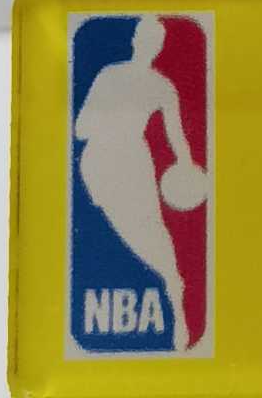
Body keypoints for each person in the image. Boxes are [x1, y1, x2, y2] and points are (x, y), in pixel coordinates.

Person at [74, 18, 199, 352]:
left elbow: (177, 136)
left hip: (124, 160)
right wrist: (185, 162)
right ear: (145, 43)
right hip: (109, 162)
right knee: (136, 230)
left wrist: (186, 165)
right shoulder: (125, 79)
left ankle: (174, 294)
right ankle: (172, 285)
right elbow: (80, 128)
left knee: (149, 229)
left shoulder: (151, 84)